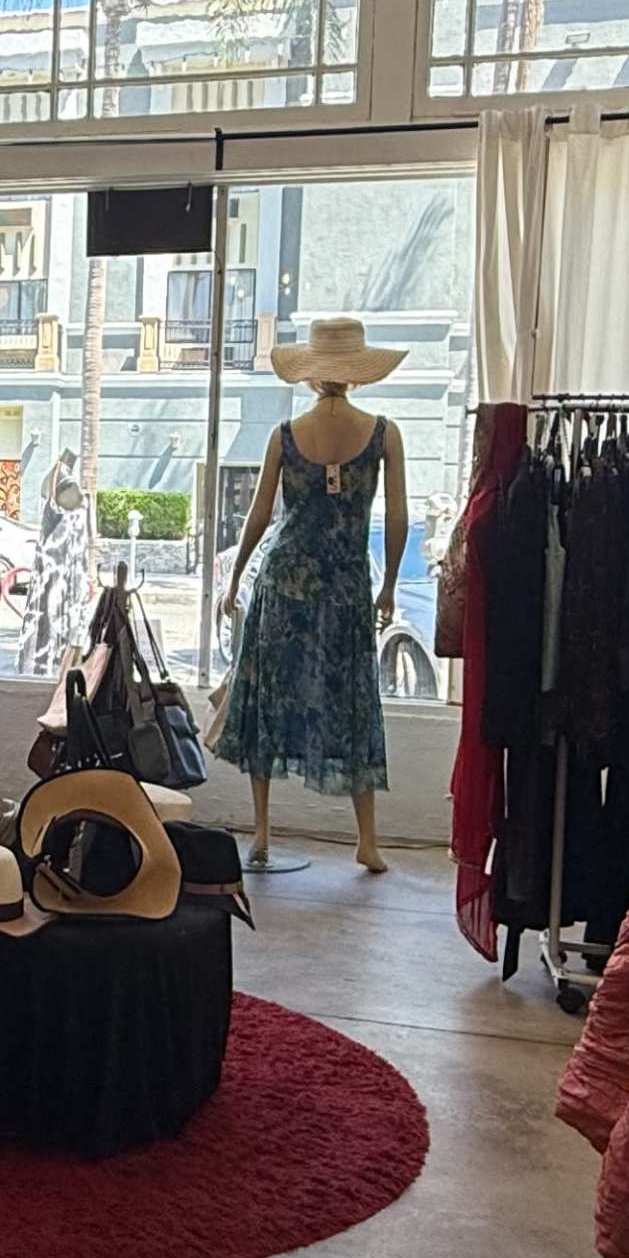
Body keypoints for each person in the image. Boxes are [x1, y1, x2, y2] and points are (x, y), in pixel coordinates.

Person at [212, 314, 405, 871]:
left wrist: (235, 575)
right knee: (350, 702)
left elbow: (260, 514)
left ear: (312, 373)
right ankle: (367, 839)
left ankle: (264, 831)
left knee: (269, 699)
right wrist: (389, 582)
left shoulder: (286, 435)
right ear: (358, 371)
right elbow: (397, 515)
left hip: (285, 582)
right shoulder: (383, 432)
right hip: (346, 585)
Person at [20, 445, 92, 678]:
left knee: (51, 617)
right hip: (59, 566)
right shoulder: (65, 483)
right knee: (51, 615)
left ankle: (54, 662)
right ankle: (52, 664)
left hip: (59, 565)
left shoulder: (57, 480)